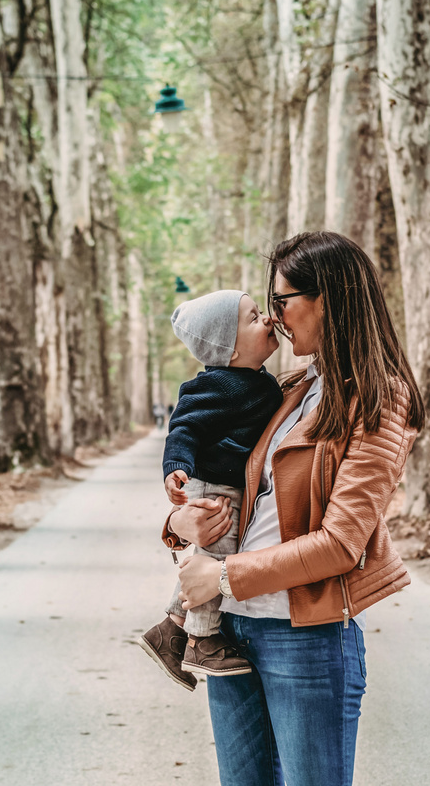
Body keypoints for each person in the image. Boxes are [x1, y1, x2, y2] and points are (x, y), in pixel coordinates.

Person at [163, 231, 425, 786]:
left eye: (281, 301)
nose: (275, 318)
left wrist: (224, 576)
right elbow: (232, 485)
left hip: (304, 638)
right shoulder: (289, 389)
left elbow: (340, 543)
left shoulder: (379, 398)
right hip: (232, 633)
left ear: (326, 298)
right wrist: (177, 521)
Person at [139, 289, 283, 692]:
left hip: (229, 484)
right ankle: (202, 640)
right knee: (218, 551)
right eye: (254, 318)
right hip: (214, 484)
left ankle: (170, 630)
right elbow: (183, 427)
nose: (268, 319)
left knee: (210, 552)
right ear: (230, 350)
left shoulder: (259, 380)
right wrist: (176, 469)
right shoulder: (217, 384)